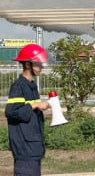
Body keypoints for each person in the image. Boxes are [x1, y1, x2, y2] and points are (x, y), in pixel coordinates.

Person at [6, 44, 50, 176]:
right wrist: (35, 105)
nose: (41, 67)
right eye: (38, 64)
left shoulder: (31, 86)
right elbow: (11, 112)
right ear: (27, 65)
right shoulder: (19, 86)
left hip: (33, 146)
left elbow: (28, 113)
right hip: (25, 148)